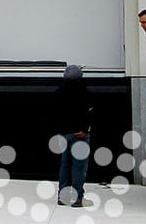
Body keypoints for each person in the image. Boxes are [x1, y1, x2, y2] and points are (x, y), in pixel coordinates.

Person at [55, 64, 91, 207]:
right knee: (79, 167)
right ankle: (77, 198)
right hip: (80, 134)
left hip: (64, 133)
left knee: (65, 165)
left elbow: (56, 113)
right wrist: (85, 129)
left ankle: (62, 196)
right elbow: (89, 112)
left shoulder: (59, 92)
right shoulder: (84, 92)